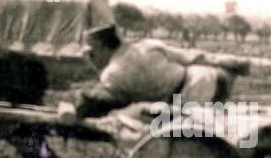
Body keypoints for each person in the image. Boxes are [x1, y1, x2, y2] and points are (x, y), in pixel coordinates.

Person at [59, 23, 251, 119]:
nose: (90, 57)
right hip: (214, 77)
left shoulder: (112, 73)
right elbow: (193, 56)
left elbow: (103, 101)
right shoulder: (147, 45)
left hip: (191, 100)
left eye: (91, 52)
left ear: (102, 47)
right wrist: (232, 62)